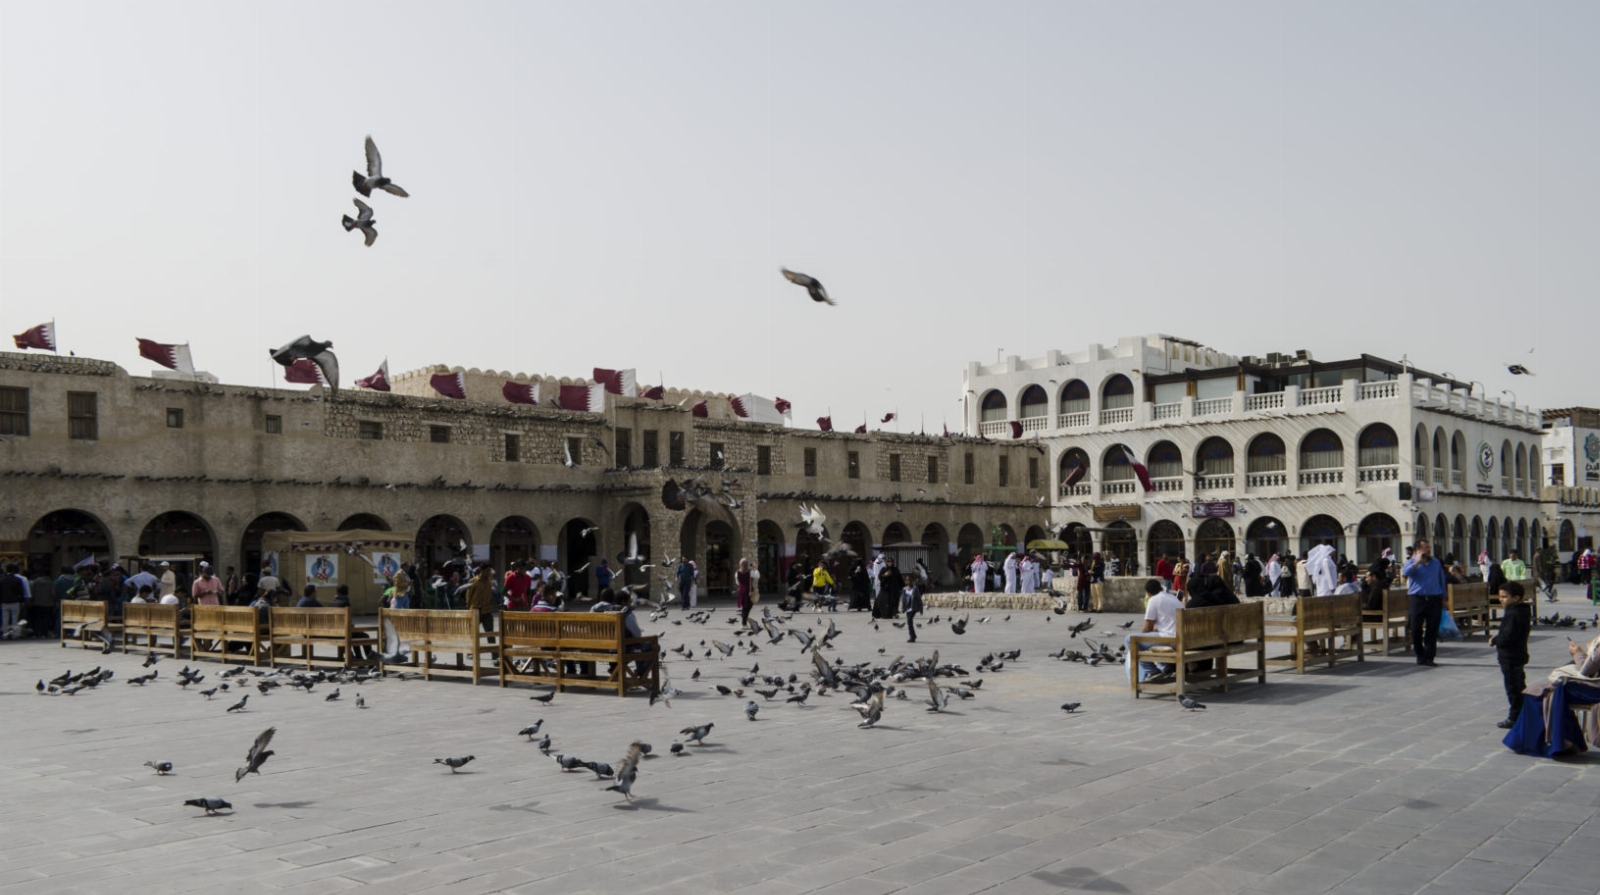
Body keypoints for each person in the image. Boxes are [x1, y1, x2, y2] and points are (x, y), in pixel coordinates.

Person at [1490, 581, 1531, 729]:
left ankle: (1515, 717)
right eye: (1500, 596)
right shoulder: (1517, 611)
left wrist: (1495, 640)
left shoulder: (1515, 613)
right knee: (1518, 686)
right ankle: (1523, 714)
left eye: (1504, 597)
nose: (1501, 599)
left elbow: (1509, 637)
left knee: (1514, 689)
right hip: (1515, 655)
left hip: (1511, 656)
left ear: (1516, 598)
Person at [1402, 538, 1448, 667]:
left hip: (1434, 598)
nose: (1428, 549)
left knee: (1432, 629)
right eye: (1425, 547)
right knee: (1416, 628)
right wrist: (1417, 561)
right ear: (1417, 550)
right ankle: (1419, 654)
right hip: (1417, 599)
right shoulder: (1411, 562)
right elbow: (1405, 573)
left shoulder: (1436, 563)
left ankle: (1429, 656)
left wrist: (1444, 598)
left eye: (1429, 547)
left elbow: (1441, 580)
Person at [1133, 579, 1183, 683]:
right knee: (1152, 637)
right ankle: (1166, 666)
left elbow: (1147, 628)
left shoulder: (1153, 600)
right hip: (1182, 637)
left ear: (1148, 593)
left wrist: (1139, 637)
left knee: (1130, 639)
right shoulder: (1173, 598)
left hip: (1172, 640)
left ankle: (1152, 670)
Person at [463, 565, 495, 632]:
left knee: (490, 633)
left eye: (490, 571)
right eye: (487, 571)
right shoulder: (473, 581)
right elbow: (468, 596)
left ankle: (491, 643)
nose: (489, 573)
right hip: (475, 611)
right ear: (482, 571)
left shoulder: (489, 582)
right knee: (473, 633)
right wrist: (468, 609)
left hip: (487, 611)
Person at [902, 574, 924, 643]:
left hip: (913, 608)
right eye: (907, 580)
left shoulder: (915, 589)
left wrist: (921, 609)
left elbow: (919, 599)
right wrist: (903, 608)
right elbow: (903, 600)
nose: (909, 581)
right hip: (907, 608)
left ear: (912, 581)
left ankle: (912, 637)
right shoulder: (904, 589)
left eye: (910, 580)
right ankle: (913, 636)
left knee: (909, 621)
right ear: (905, 581)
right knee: (909, 623)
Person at [735, 558, 753, 627]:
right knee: (747, 607)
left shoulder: (737, 573)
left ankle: (744, 623)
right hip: (748, 591)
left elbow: (737, 582)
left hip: (741, 590)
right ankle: (744, 624)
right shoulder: (750, 572)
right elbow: (757, 576)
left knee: (744, 607)